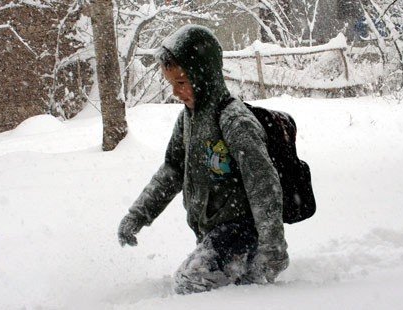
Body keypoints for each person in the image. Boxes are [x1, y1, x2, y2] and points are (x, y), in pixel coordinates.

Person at [117, 24, 288, 294]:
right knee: (215, 286)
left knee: (191, 283)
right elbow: (173, 169)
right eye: (171, 83)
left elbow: (263, 185)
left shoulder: (234, 120)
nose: (176, 92)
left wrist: (273, 246)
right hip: (213, 233)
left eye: (182, 82)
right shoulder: (188, 119)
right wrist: (139, 214)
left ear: (203, 75)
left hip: (242, 232)